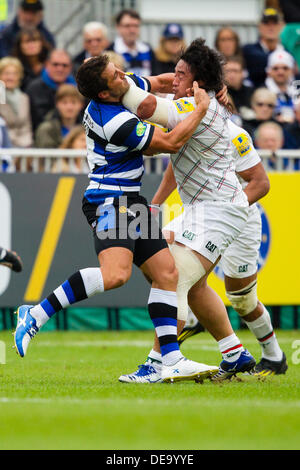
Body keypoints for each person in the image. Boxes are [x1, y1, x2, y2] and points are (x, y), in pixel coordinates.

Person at [14, 55, 219, 383]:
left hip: (130, 200)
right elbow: (169, 142)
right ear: (105, 93)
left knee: (167, 274)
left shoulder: (122, 85)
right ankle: (35, 314)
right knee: (116, 275)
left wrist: (199, 87)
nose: (124, 76)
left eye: (118, 70)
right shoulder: (110, 119)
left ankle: (167, 360)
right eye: (116, 77)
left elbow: (163, 82)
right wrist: (201, 110)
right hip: (110, 199)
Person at [120, 38, 257, 382]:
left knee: (174, 279)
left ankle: (157, 362)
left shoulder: (196, 107)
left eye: (181, 74)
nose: (175, 79)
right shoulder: (196, 103)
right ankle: (234, 352)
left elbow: (147, 107)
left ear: (198, 83)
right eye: (175, 72)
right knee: (184, 281)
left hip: (220, 209)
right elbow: (174, 156)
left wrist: (114, 81)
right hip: (201, 208)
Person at [160, 121, 287, 377]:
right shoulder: (186, 122)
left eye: (183, 78)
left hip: (237, 214)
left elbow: (261, 183)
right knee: (158, 255)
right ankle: (195, 325)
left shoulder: (235, 134)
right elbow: (177, 166)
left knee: (241, 299)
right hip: (200, 212)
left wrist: (227, 211)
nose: (177, 85)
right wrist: (155, 203)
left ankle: (274, 357)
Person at [25, 49, 76, 131]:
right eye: (55, 64)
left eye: (64, 65)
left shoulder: (78, 89)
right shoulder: (34, 88)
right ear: (47, 65)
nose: (60, 69)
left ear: (70, 67)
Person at [243, 8, 284, 88]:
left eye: (275, 23)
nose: (271, 27)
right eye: (266, 23)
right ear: (259, 26)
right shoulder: (248, 50)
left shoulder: (287, 51)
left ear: (281, 26)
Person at [107, 9, 155, 76]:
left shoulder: (147, 49)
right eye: (127, 26)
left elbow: (155, 75)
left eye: (136, 26)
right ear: (118, 27)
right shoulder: (110, 50)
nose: (132, 30)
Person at [35, 84, 84, 148]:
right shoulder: (46, 129)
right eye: (64, 102)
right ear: (57, 104)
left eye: (73, 102)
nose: (69, 107)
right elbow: (46, 155)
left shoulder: (88, 128)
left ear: (81, 105)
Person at [0, 56, 33, 148]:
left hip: (24, 147)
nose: (11, 77)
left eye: (15, 74)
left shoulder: (24, 98)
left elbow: (27, 126)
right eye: (6, 73)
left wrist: (26, 145)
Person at [265, 49, 296, 124]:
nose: (280, 72)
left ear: (291, 71)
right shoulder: (262, 92)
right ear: (269, 71)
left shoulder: (297, 90)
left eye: (285, 68)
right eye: (276, 68)